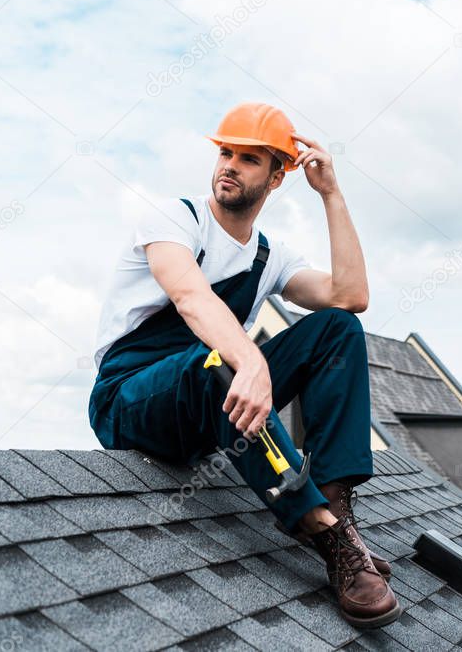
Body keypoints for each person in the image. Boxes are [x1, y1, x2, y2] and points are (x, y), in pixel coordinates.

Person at [88, 102, 401, 628]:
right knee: (218, 359)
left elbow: (352, 295)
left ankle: (337, 506)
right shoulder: (171, 218)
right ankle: (329, 538)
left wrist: (331, 194)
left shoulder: (268, 257)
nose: (229, 165)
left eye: (249, 159)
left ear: (278, 177)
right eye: (226, 153)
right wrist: (250, 357)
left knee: (337, 328)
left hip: (214, 402)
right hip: (132, 400)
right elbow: (190, 297)